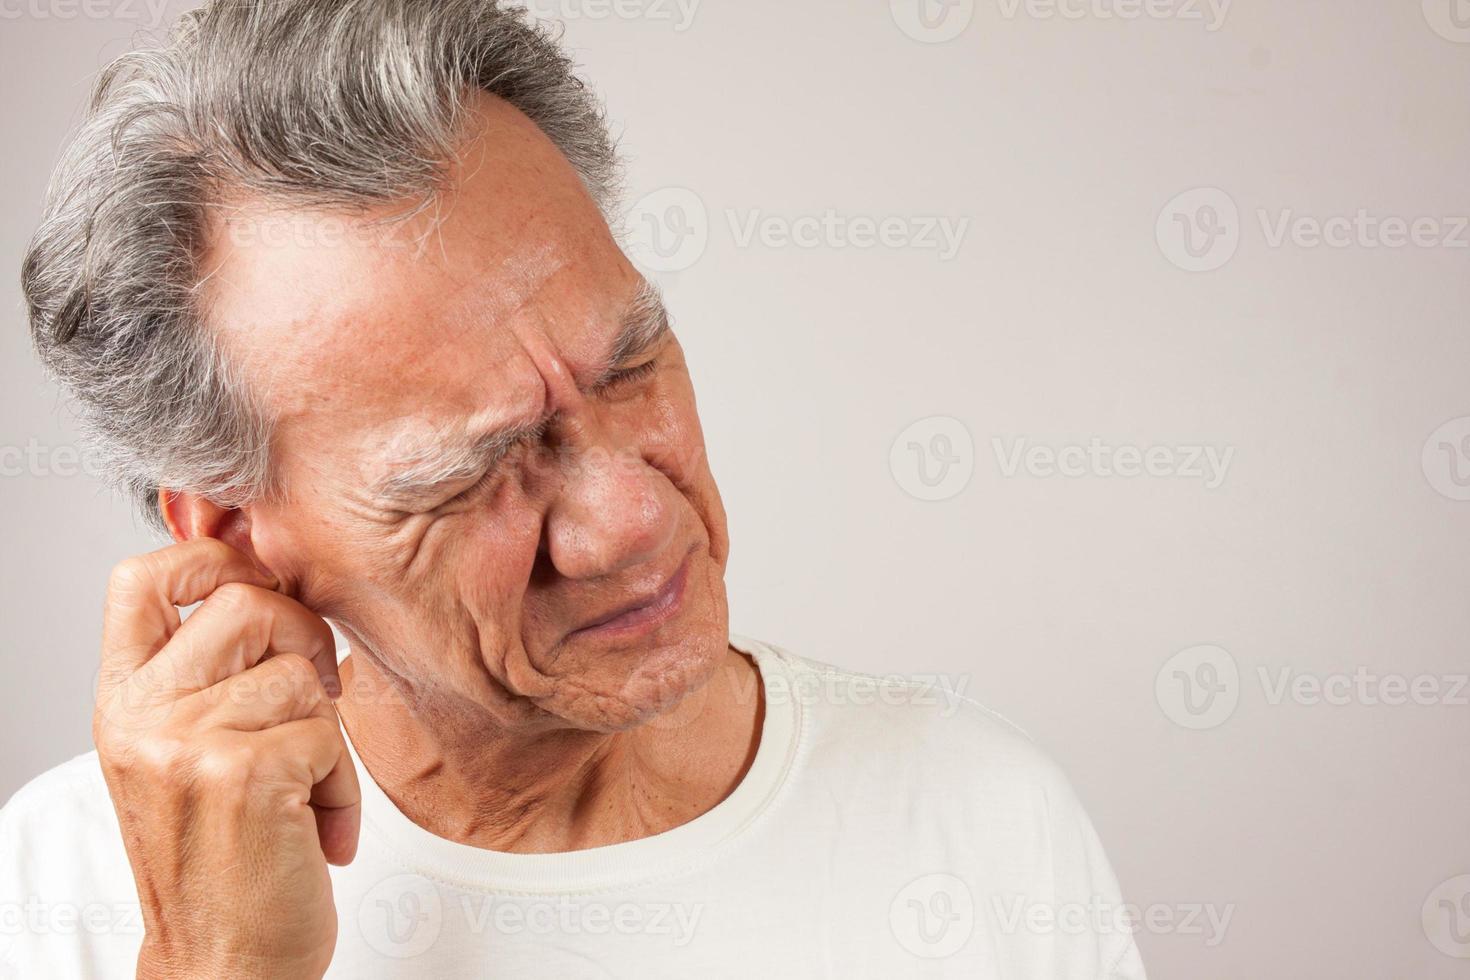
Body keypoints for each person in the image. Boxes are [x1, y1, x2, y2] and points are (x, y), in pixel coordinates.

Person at [2, 1, 1147, 976]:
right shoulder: (66, 884)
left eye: (633, 363)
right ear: (237, 536)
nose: (636, 520)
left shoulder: (978, 817)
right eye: (477, 469)